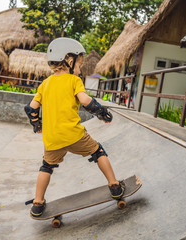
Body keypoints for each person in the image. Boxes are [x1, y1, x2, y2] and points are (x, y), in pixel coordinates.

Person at [24, 37, 125, 217]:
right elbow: (86, 101)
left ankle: (38, 203)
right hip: (75, 136)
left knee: (46, 167)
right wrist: (102, 113)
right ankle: (114, 185)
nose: (79, 70)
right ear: (69, 61)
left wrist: (36, 123)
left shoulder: (45, 84)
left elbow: (31, 108)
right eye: (79, 65)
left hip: (52, 139)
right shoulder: (74, 81)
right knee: (98, 152)